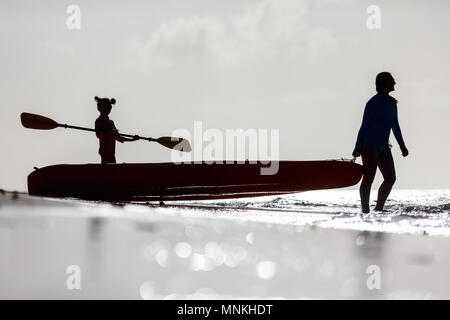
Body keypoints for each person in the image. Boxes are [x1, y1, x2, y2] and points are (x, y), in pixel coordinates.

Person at [352, 72, 409, 213]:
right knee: (369, 178)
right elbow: (364, 126)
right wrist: (358, 146)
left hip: (384, 145)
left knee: (390, 178)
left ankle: (378, 209)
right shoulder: (372, 103)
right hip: (369, 144)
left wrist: (402, 146)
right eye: (392, 81)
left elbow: (395, 126)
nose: (395, 83)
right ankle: (365, 210)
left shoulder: (392, 103)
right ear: (384, 83)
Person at [94, 96, 139, 164]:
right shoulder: (98, 121)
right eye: (105, 107)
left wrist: (133, 139)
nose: (107, 110)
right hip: (104, 152)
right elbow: (98, 135)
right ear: (99, 108)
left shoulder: (111, 122)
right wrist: (108, 132)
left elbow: (119, 138)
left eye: (109, 108)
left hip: (111, 152)